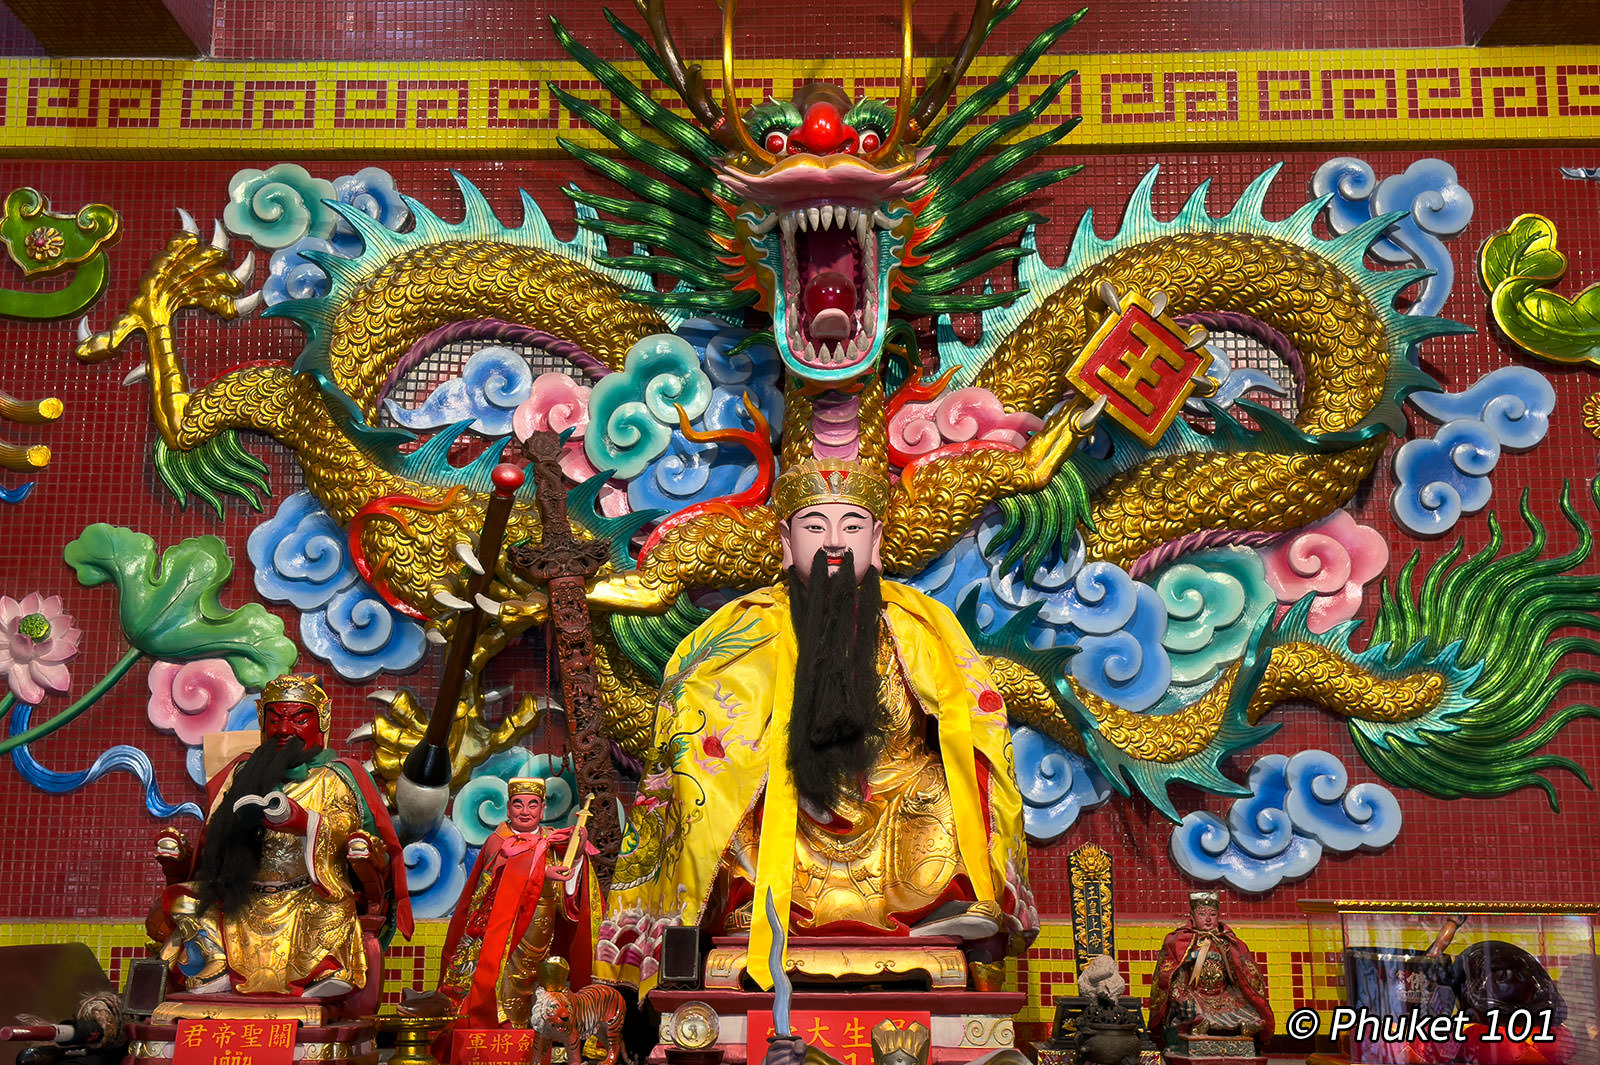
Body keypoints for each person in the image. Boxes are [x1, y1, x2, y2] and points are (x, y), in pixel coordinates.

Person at [597, 457, 1033, 992]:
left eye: (851, 526)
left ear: (876, 541)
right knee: (718, 799)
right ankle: (744, 907)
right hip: (786, 814)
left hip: (897, 805)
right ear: (786, 541)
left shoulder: (918, 621)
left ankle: (941, 903)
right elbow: (694, 719)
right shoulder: (745, 625)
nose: (833, 541)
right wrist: (753, 761)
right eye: (813, 526)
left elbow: (973, 721)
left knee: (949, 787)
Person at [150, 673, 411, 1012]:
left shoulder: (335, 776)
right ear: (262, 722)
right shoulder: (241, 774)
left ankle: (321, 974)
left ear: (322, 721)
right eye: (275, 719)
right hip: (244, 897)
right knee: (187, 905)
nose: (284, 730)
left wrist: (305, 823)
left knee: (335, 912)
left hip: (308, 895)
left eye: (299, 718)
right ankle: (212, 971)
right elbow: (212, 843)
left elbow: (351, 830)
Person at [414, 778, 595, 1028]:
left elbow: (569, 880)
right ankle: (504, 1035)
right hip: (505, 930)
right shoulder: (499, 841)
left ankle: (536, 1039)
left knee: (540, 985)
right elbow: (494, 884)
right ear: (509, 809)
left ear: (542, 809)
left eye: (533, 805)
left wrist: (578, 851)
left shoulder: (553, 840)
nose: (525, 811)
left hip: (542, 930)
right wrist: (542, 873)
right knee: (506, 984)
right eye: (518, 805)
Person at [1148, 891, 1273, 1049]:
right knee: (1185, 1008)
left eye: (1212, 914)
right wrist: (1179, 993)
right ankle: (1198, 1024)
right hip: (1195, 994)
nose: (1208, 919)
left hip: (1222, 995)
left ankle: (1245, 1025)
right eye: (1202, 914)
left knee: (1250, 1011)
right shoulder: (1181, 940)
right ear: (1192, 916)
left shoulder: (1227, 941)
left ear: (1218, 916)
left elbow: (1241, 975)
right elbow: (1172, 974)